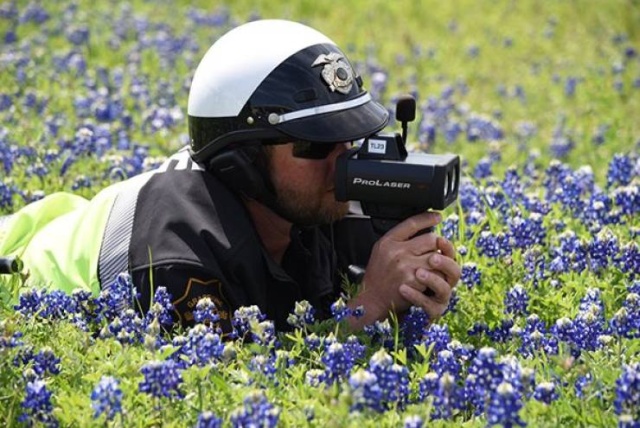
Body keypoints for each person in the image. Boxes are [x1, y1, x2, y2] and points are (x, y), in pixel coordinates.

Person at [0, 19, 460, 333]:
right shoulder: (177, 260)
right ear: (242, 160)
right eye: (316, 143)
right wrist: (366, 311)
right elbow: (229, 396)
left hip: (67, 217)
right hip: (19, 273)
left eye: (350, 136)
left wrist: (408, 294)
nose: (343, 159)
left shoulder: (319, 199)